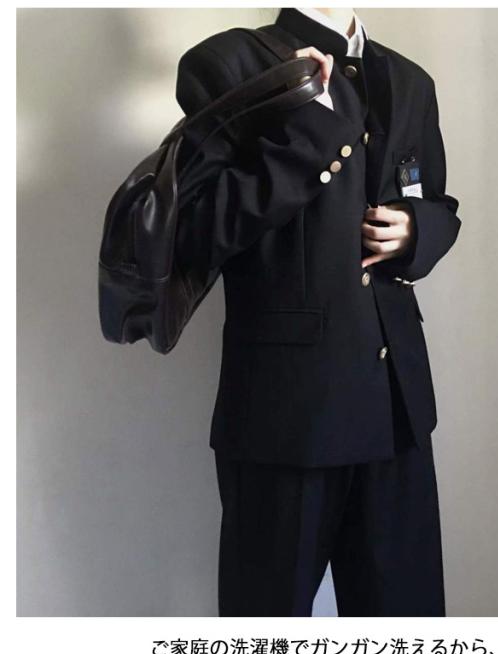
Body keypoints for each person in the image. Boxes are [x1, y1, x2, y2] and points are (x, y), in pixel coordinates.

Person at [175, 7, 461, 616]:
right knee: (264, 635)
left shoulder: (410, 81)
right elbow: (195, 232)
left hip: (397, 405)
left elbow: (437, 202)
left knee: (408, 630)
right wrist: (314, 128)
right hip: (284, 413)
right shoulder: (228, 64)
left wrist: (418, 229)